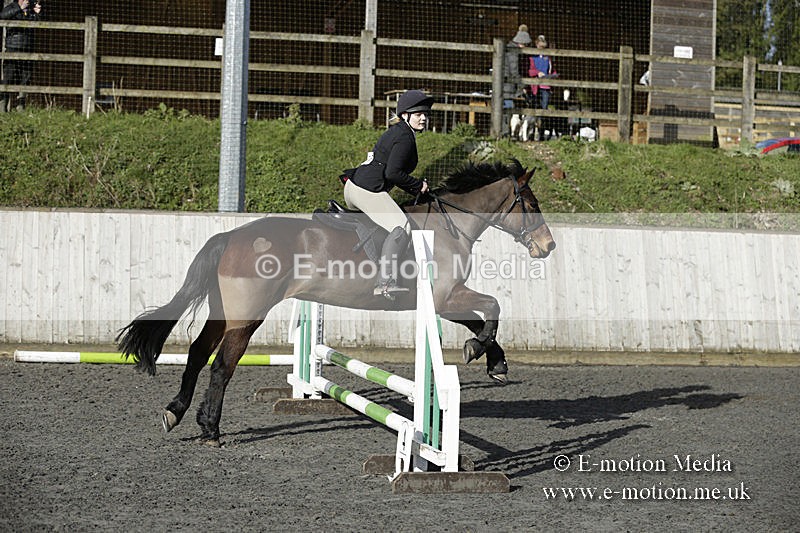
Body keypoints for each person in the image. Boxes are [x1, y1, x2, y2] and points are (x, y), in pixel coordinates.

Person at [344, 89, 431, 300]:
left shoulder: (400, 132)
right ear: (405, 115)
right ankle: (385, 283)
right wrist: (417, 185)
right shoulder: (404, 137)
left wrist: (414, 187)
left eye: (425, 114)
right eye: (418, 114)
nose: (424, 118)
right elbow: (393, 173)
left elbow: (392, 173)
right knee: (402, 226)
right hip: (366, 190)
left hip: (354, 187)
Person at [1, 0, 42, 112]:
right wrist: (19, 8)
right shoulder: (12, 7)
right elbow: (2, 16)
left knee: (25, 78)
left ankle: (20, 107)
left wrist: (37, 13)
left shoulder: (30, 10)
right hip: (12, 48)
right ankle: (2, 108)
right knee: (8, 77)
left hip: (28, 49)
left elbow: (37, 24)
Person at [503, 24, 531, 137]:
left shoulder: (510, 49)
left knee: (507, 110)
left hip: (506, 84)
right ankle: (505, 134)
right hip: (507, 86)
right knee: (508, 110)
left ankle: (506, 134)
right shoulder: (513, 53)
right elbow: (514, 71)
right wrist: (521, 86)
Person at [528, 34, 557, 140]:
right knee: (534, 109)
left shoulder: (548, 58)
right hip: (535, 86)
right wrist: (537, 72)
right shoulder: (532, 57)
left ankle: (541, 133)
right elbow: (529, 71)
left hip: (546, 86)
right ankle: (531, 132)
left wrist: (554, 75)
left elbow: (552, 70)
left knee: (544, 110)